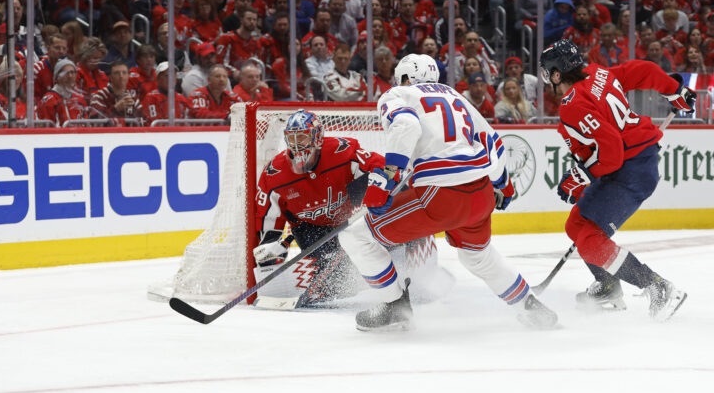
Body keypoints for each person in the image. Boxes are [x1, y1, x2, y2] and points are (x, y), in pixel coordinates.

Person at [337, 54, 557, 331]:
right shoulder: (455, 95)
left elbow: (406, 126)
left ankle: (395, 306)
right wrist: (504, 183)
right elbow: (491, 139)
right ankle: (530, 305)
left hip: (441, 195)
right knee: (479, 256)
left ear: (404, 77)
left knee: (356, 236)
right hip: (481, 193)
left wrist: (386, 181)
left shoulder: (398, 94)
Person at [539, 39, 694, 320]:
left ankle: (659, 288)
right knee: (576, 224)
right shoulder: (598, 73)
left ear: (557, 74)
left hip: (631, 170)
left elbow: (611, 152)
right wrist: (673, 89)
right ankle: (609, 286)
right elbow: (640, 70)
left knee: (590, 242)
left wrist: (581, 174)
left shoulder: (572, 104)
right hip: (629, 163)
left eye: (548, 72)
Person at [252, 109, 385, 307]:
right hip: (310, 229)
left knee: (378, 246)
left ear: (317, 137)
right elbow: (267, 217)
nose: (297, 143)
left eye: (303, 137)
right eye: (292, 137)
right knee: (337, 277)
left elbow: (379, 167)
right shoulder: (274, 173)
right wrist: (270, 243)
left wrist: (380, 186)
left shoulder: (342, 151)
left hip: (350, 220)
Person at [38, 58, 86, 126]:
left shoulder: (80, 99)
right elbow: (45, 130)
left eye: (72, 72)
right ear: (57, 77)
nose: (70, 76)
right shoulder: (48, 101)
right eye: (66, 73)